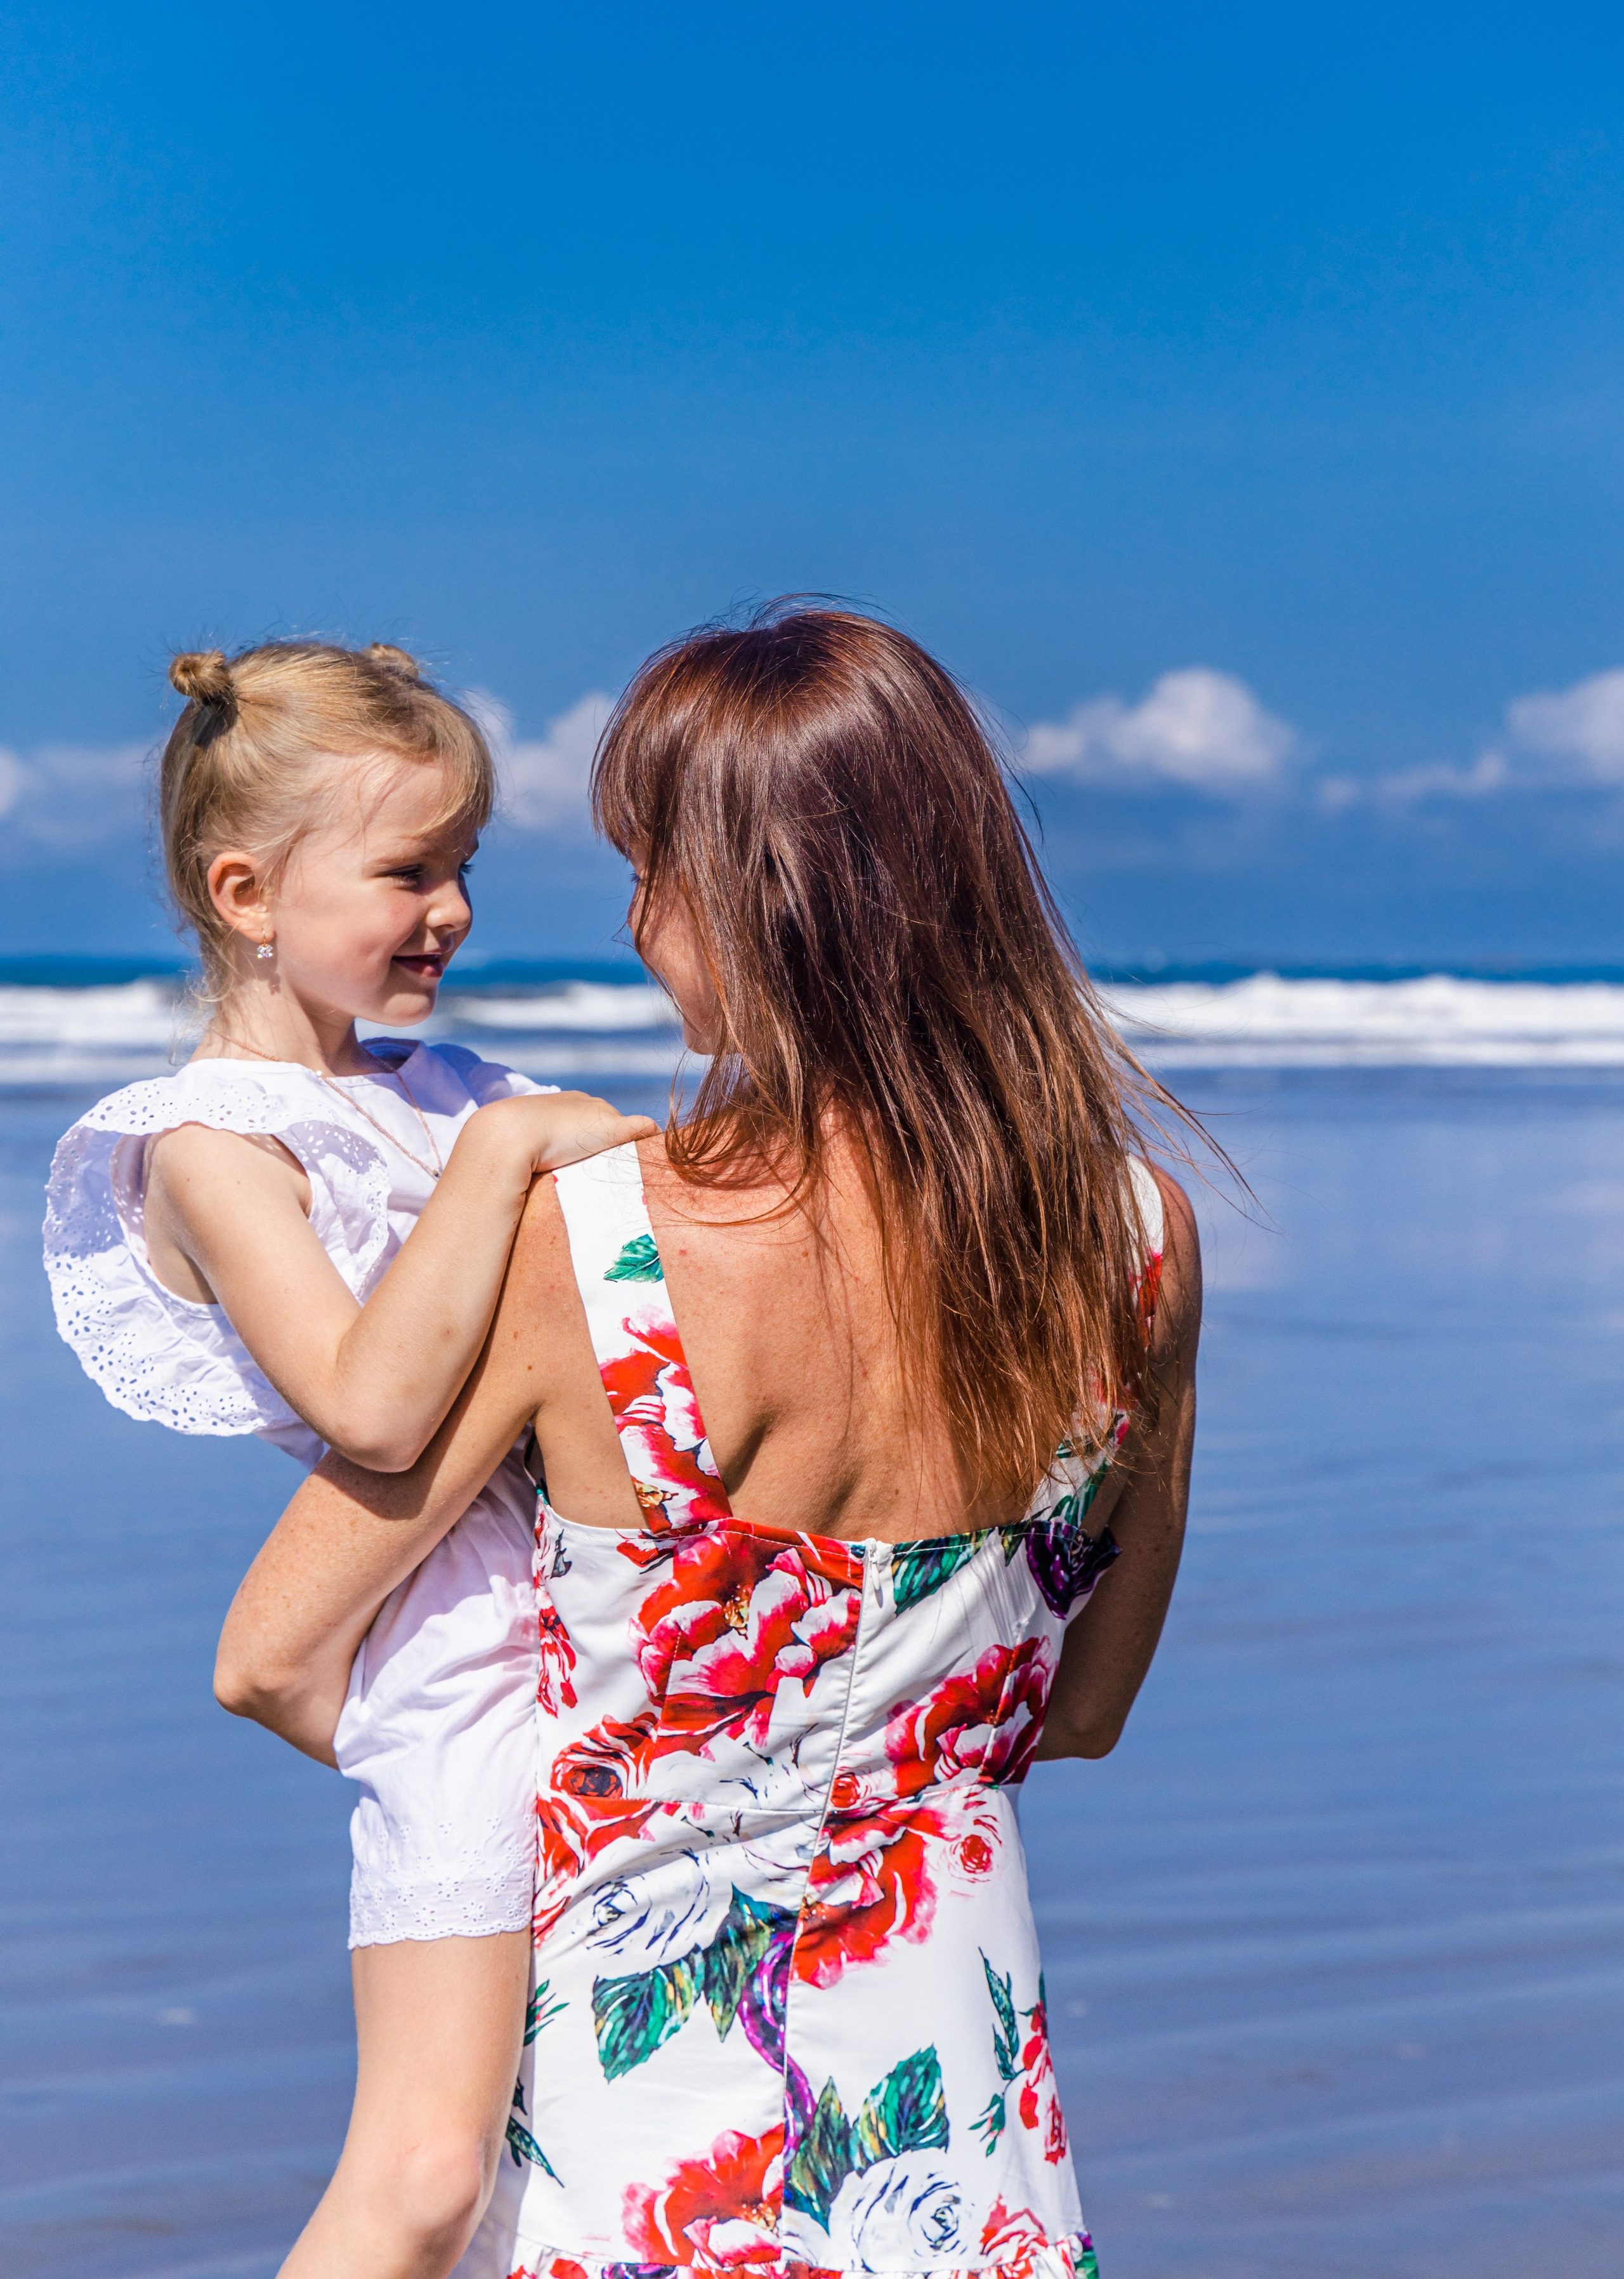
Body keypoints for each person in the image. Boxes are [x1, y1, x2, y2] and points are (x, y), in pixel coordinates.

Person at [218, 606, 1202, 2279]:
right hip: (961, 2136)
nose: (632, 921)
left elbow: (270, 1657)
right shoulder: (1136, 1241)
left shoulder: (595, 1243)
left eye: (653, 872)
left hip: (645, 2120)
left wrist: (591, 1797)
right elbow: (1088, 1704)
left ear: (763, 902)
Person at [41, 638, 653, 2259]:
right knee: (426, 2166)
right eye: (405, 869)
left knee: (573, 2144)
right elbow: (371, 1406)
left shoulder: (453, 1087)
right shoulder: (213, 1142)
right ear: (245, 892)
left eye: (461, 865)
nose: (448, 909)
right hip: (446, 1655)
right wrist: (512, 1152)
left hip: (602, 1604)